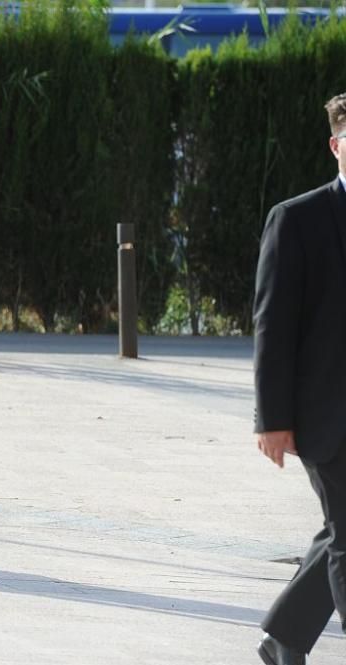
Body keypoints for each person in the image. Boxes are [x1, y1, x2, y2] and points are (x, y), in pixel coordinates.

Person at [253, 92, 346, 665]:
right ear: (338, 147)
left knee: (342, 531)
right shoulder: (297, 219)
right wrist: (273, 420)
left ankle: (285, 634)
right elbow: (272, 324)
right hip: (326, 415)